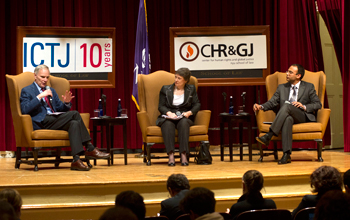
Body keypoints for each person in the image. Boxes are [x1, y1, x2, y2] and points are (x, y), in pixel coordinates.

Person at [20, 64, 110, 171]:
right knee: (75, 114)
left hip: (54, 120)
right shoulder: (27, 90)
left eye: (47, 77)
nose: (45, 80)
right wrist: (40, 96)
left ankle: (76, 160)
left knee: (74, 123)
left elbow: (59, 109)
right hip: (41, 122)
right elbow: (25, 109)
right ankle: (89, 147)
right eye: (42, 77)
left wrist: (66, 103)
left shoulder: (51, 90)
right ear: (35, 76)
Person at [253, 64, 322, 164]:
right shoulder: (282, 87)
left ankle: (270, 134)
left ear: (298, 76)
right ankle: (286, 155)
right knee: (287, 118)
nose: (287, 74)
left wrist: (303, 106)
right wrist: (261, 106)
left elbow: (318, 104)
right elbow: (272, 102)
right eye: (287, 71)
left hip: (302, 115)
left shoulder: (308, 87)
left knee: (286, 105)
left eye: (290, 72)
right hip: (286, 115)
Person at [156, 67, 201, 166]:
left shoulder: (191, 89)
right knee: (167, 124)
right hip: (169, 115)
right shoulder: (165, 89)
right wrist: (168, 113)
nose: (176, 80)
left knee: (184, 123)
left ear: (185, 80)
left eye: (179, 78)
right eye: (175, 77)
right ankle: (171, 155)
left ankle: (183, 154)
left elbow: (197, 104)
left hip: (184, 116)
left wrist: (189, 112)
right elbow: (161, 106)